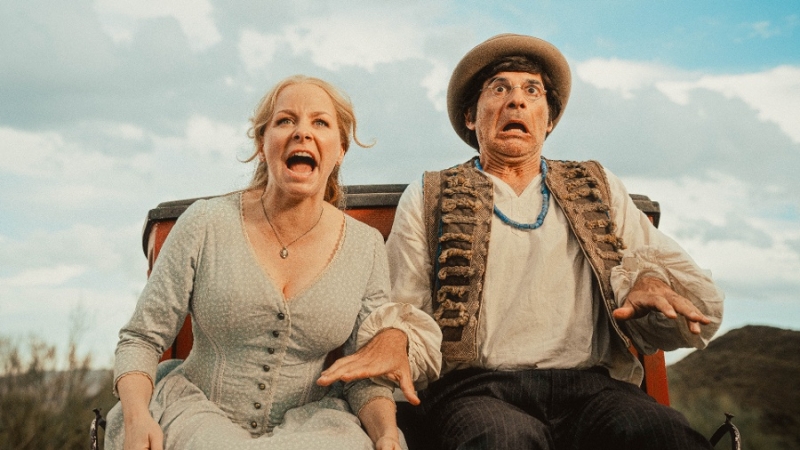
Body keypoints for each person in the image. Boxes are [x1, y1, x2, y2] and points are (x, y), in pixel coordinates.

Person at [382, 34, 725, 449]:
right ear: (470, 116)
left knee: (662, 433)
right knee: (500, 441)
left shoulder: (598, 185)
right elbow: (404, 306)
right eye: (499, 89)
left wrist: (649, 280)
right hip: (478, 390)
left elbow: (682, 290)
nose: (516, 101)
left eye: (532, 91)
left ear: (548, 121)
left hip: (592, 389)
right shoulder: (430, 193)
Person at [103, 75, 442, 450]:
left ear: (340, 150)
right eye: (285, 120)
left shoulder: (366, 246)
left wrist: (386, 434)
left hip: (314, 427)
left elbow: (364, 373)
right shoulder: (205, 223)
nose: (302, 133)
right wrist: (137, 418)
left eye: (320, 122)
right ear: (262, 145)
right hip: (195, 414)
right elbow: (141, 338)